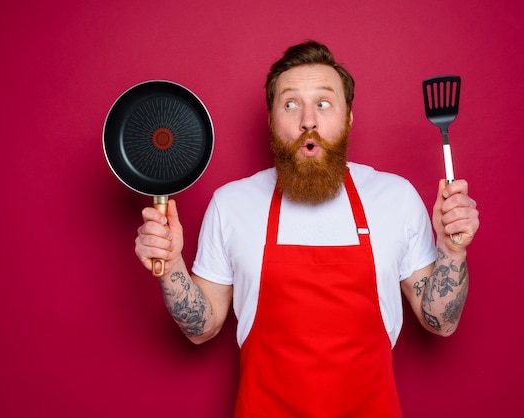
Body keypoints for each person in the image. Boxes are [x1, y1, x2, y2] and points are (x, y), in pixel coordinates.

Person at [135, 40, 479, 417]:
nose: (308, 120)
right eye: (291, 104)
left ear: (348, 117)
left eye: (324, 103)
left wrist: (451, 249)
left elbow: (441, 322)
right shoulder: (232, 204)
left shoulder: (395, 198)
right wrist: (170, 268)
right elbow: (201, 328)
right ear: (272, 119)